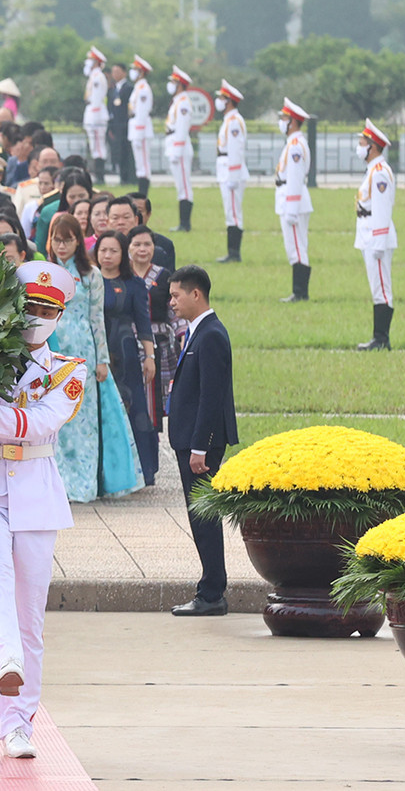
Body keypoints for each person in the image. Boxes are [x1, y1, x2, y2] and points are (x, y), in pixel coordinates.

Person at [0, 261, 84, 759]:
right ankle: (5, 660)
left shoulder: (68, 372)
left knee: (30, 616)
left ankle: (18, 724)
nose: (36, 317)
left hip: (36, 492)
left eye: (48, 309)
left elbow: (41, 424)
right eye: (30, 306)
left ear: (61, 315)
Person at [45, 213, 142, 501]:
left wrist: (102, 360)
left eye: (68, 240)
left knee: (83, 420)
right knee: (54, 417)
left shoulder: (91, 275)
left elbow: (97, 318)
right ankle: (56, 482)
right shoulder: (43, 272)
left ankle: (84, 481)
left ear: (78, 240)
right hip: (49, 348)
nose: (61, 246)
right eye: (56, 240)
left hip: (83, 349)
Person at [167, 265, 239, 615]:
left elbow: (212, 397)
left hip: (201, 445)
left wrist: (200, 446)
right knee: (200, 517)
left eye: (176, 295)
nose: (171, 302)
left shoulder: (210, 334)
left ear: (196, 294)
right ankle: (211, 587)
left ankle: (211, 593)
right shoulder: (197, 331)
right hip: (190, 439)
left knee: (204, 518)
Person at [95, 230, 158, 484]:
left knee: (134, 409)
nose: (107, 255)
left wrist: (149, 356)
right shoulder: (90, 280)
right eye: (103, 250)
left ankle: (142, 470)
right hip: (97, 353)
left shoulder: (133, 284)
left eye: (113, 250)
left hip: (126, 354)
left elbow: (144, 323)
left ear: (123, 254)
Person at [128, 225, 183, 433]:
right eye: (137, 244)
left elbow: (174, 310)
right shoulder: (123, 276)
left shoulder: (164, 275)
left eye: (147, 244)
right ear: (129, 247)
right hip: (128, 343)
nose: (142, 249)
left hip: (159, 345)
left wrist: (182, 335)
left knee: (156, 399)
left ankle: (152, 440)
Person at [355, 120, 397, 350]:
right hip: (368, 234)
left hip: (376, 236)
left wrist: (379, 242)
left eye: (362, 142)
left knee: (382, 287)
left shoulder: (380, 173)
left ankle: (381, 339)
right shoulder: (373, 170)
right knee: (377, 287)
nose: (359, 146)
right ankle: (378, 338)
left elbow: (382, 209)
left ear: (372, 146)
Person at [275, 99, 314, 302]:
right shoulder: (293, 143)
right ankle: (298, 291)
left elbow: (295, 179)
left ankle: (300, 292)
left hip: (294, 202)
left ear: (292, 122)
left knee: (297, 248)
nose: (281, 122)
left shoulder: (296, 145)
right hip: (290, 199)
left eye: (284, 118)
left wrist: (291, 208)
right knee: (295, 247)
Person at [214, 80, 248, 263]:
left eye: (221, 98)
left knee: (234, 213)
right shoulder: (229, 120)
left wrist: (233, 175)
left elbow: (236, 150)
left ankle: (234, 253)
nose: (218, 101)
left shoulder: (234, 121)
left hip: (231, 170)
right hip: (226, 168)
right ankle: (231, 252)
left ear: (228, 101)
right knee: (230, 212)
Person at [163, 66, 194, 231]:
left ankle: (185, 223)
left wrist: (177, 149)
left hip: (179, 146)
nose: (171, 84)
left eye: (173, 82)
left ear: (180, 84)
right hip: (174, 142)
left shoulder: (183, 103)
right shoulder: (178, 101)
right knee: (180, 185)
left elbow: (182, 128)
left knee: (184, 186)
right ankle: (183, 222)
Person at [82, 46, 110, 184]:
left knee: (98, 147)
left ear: (96, 63)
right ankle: (97, 174)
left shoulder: (98, 77)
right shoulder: (94, 76)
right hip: (92, 114)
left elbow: (97, 99)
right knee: (94, 146)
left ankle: (100, 176)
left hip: (96, 115)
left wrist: (94, 116)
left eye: (90, 60)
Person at [126, 56, 153, 195]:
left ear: (141, 72)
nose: (132, 72)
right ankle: (141, 192)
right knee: (139, 163)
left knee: (143, 164)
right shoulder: (138, 87)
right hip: (136, 127)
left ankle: (144, 193)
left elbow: (142, 112)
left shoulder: (143, 89)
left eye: (135, 69)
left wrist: (139, 132)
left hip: (140, 129)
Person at [107, 62, 134, 184]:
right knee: (119, 152)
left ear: (124, 73)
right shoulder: (112, 89)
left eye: (118, 72)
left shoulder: (129, 88)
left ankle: (130, 177)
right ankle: (122, 176)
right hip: (116, 125)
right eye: (114, 72)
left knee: (128, 152)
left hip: (126, 125)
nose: (115, 74)